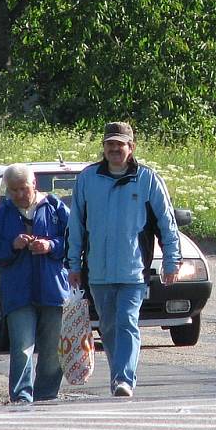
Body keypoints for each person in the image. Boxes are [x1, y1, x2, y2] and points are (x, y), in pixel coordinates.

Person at [66, 121, 182, 398]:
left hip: (133, 270)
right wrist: (73, 265)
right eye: (110, 144)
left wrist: (171, 261)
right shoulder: (87, 179)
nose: (115, 149)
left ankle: (123, 379)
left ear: (131, 147)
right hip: (98, 271)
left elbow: (167, 224)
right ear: (104, 148)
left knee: (127, 322)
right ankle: (118, 377)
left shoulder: (147, 179)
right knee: (107, 326)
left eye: (120, 144)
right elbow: (76, 225)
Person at [0, 163, 70, 403]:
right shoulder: (3, 214)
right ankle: (21, 397)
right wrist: (11, 245)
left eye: (23, 189)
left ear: (34, 184)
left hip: (53, 290)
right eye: (13, 190)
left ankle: (46, 395)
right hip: (18, 292)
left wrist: (51, 246)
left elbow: (75, 241)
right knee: (22, 348)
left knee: (51, 351)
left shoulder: (55, 208)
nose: (18, 195)